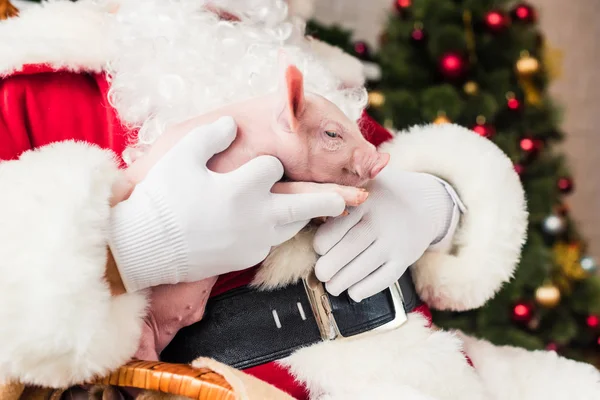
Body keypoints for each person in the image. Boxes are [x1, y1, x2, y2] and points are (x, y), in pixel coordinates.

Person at [1, 1, 598, 399]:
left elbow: (402, 177)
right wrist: (132, 250)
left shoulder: (322, 80)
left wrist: (440, 202)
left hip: (430, 369)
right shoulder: (37, 84)